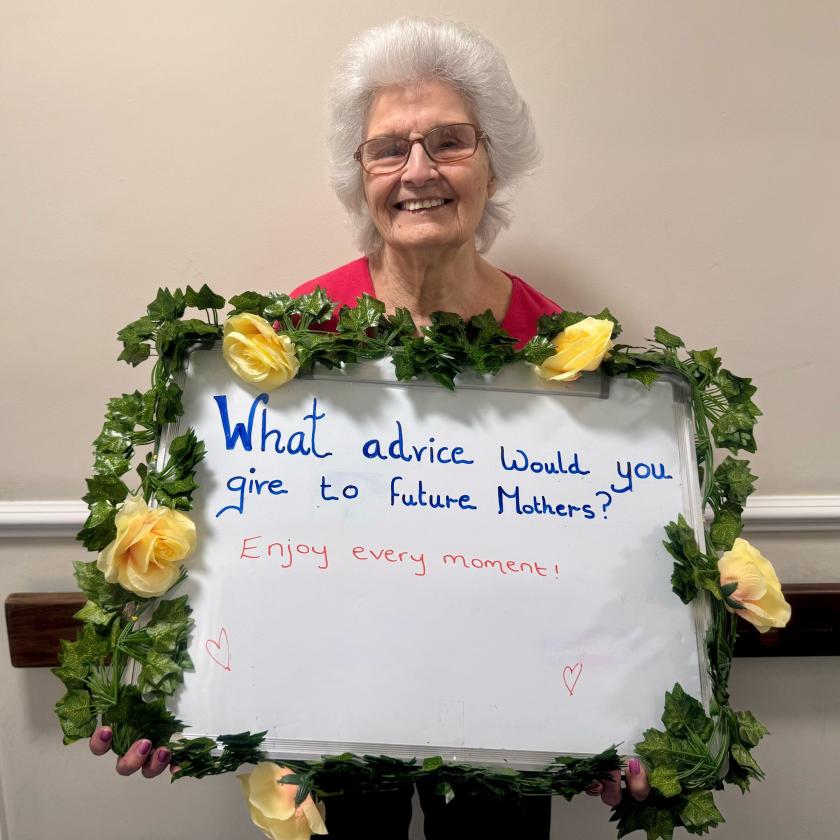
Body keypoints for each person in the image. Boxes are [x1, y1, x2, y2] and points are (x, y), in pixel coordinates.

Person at [90, 16, 649, 839]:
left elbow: (609, 565)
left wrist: (631, 723)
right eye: (389, 149)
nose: (417, 171)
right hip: (333, 712)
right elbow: (222, 534)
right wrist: (156, 691)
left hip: (507, 715)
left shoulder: (560, 349)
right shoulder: (286, 341)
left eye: (449, 142)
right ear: (361, 177)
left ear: (493, 165)